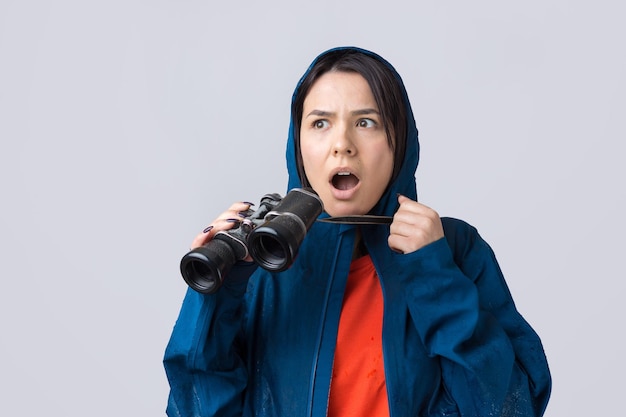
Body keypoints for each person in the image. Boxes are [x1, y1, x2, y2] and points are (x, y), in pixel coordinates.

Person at [164, 46, 552, 417]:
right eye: (320, 123)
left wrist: (436, 276)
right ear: (298, 145)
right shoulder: (259, 262)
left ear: (399, 141)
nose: (342, 146)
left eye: (366, 122)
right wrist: (215, 298)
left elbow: (510, 407)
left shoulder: (456, 251)